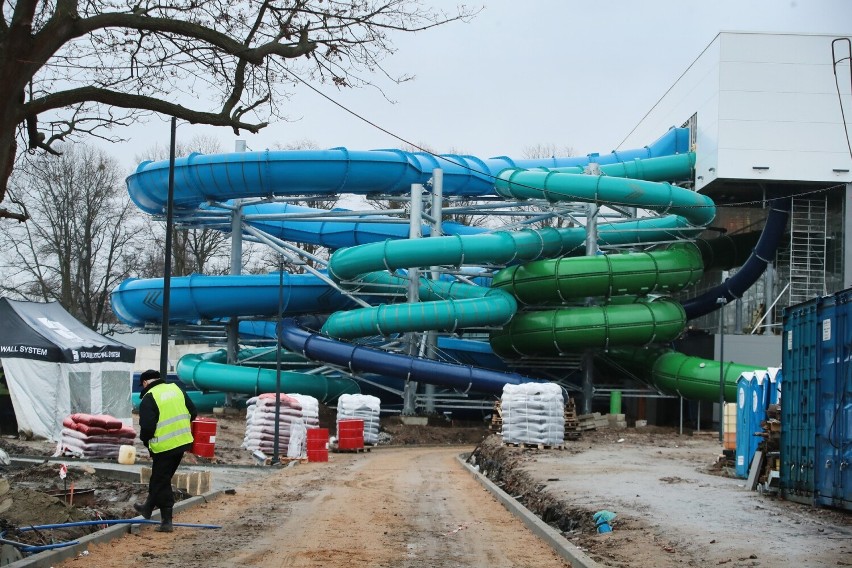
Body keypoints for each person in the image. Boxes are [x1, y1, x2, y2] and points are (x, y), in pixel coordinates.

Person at [134, 369, 197, 532]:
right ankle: (147, 508)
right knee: (159, 479)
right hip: (182, 442)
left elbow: (147, 427)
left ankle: (167, 522)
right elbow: (193, 412)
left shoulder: (149, 398)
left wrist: (146, 441)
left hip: (164, 447)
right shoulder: (176, 389)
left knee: (161, 481)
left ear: (146, 383)